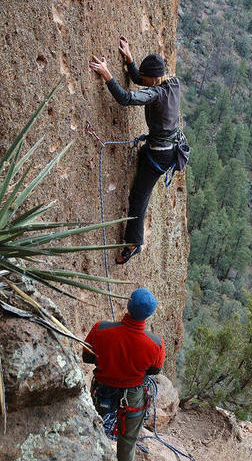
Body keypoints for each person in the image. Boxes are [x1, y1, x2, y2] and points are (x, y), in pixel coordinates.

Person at [89, 37, 180, 264]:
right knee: (142, 191)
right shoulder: (172, 83)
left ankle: (133, 243)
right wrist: (130, 62)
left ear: (155, 78)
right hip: (163, 150)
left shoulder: (156, 93)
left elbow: (127, 98)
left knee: (138, 197)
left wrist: (107, 74)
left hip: (159, 156)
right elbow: (142, 79)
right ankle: (134, 240)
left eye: (147, 78)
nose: (144, 81)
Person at [83, 288, 165, 461]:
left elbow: (87, 357)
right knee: (128, 440)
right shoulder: (156, 343)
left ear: (128, 305)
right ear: (148, 315)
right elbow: (154, 370)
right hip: (133, 396)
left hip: (102, 389)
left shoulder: (101, 329)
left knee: (91, 426)